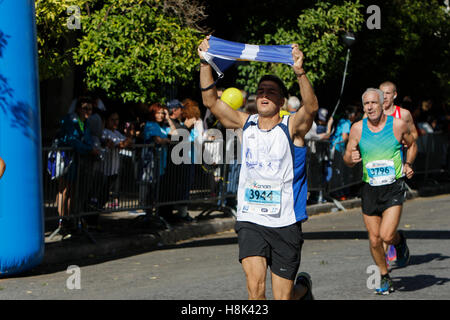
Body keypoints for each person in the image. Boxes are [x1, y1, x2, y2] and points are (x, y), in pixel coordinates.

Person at [198, 36, 318, 300]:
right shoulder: (246, 122)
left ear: (283, 101)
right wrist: (205, 62)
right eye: (261, 91)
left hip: (285, 221)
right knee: (256, 290)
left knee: (283, 297)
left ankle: (304, 289)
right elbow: (210, 102)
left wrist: (300, 72)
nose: (264, 95)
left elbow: (311, 108)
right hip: (251, 219)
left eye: (271, 92)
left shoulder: (292, 128)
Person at [343, 88, 417, 295]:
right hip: (369, 188)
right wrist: (351, 159)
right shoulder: (357, 128)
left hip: (393, 186)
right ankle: (384, 276)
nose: (370, 107)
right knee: (374, 239)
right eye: (366, 104)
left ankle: (398, 241)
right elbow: (347, 158)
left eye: (374, 103)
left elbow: (412, 145)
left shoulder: (398, 125)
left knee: (386, 235)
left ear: (382, 104)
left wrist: (408, 163)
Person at [56, 96, 100, 232]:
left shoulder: (85, 123)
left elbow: (87, 140)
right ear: (78, 108)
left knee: (72, 189)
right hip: (65, 157)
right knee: (64, 189)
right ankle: (62, 220)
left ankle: (70, 218)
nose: (88, 111)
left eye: (90, 109)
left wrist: (89, 147)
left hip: (76, 159)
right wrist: (88, 149)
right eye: (85, 108)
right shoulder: (70, 120)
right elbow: (73, 141)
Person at [100, 111, 134, 209]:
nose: (115, 122)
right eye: (112, 120)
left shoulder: (116, 132)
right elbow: (122, 144)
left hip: (113, 170)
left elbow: (129, 143)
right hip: (104, 171)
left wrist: (127, 139)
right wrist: (128, 138)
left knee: (105, 196)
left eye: (117, 120)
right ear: (107, 121)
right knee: (100, 196)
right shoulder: (105, 132)